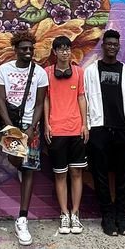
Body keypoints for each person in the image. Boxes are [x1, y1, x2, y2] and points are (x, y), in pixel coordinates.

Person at [82, 30, 125, 237]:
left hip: (123, 130)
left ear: (119, 46)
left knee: (123, 175)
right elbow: (85, 99)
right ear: (103, 45)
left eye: (115, 44)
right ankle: (107, 215)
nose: (112, 47)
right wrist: (89, 125)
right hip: (99, 130)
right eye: (108, 44)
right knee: (100, 175)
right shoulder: (91, 71)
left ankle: (121, 215)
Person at [0, 31, 50, 245]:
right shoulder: (4, 70)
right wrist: (10, 127)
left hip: (30, 127)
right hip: (11, 125)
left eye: (30, 48)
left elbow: (39, 103)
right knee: (16, 160)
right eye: (23, 48)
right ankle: (20, 165)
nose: (28, 52)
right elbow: (0, 99)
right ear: (15, 50)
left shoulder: (40, 73)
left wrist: (31, 127)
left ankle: (23, 218)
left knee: (28, 170)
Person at [46, 36, 89, 235]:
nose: (65, 52)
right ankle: (64, 214)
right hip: (56, 130)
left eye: (67, 49)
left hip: (75, 130)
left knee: (77, 172)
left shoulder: (79, 72)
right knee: (60, 174)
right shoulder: (47, 73)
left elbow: (81, 97)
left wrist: (85, 124)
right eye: (61, 49)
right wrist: (46, 123)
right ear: (54, 52)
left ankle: (75, 213)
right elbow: (45, 99)